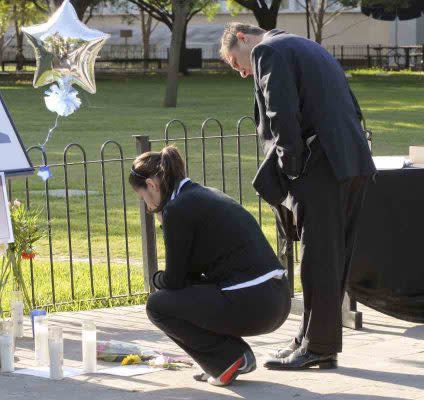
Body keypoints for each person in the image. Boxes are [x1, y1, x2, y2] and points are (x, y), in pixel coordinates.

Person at [219, 23, 376, 370]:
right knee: (332, 260)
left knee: (318, 259)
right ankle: (310, 338)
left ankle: (317, 346)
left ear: (243, 38)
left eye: (235, 63)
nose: (242, 72)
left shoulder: (267, 51)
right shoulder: (307, 46)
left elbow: (281, 115)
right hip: (352, 161)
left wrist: (290, 171)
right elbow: (349, 103)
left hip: (321, 166)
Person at [130, 145, 291, 386]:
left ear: (151, 186)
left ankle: (228, 360)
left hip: (253, 300)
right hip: (275, 299)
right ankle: (224, 360)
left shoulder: (177, 209)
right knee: (186, 295)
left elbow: (174, 281)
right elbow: (189, 278)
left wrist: (155, 279)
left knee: (158, 305)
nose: (146, 205)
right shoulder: (201, 195)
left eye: (142, 196)